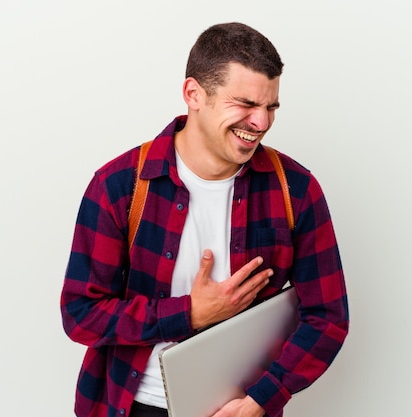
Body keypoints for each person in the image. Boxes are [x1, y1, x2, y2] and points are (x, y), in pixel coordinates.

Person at [61, 22, 349, 417]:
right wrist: (189, 313)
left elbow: (328, 317)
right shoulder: (120, 186)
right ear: (193, 94)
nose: (261, 123)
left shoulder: (295, 189)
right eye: (245, 104)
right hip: (134, 406)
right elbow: (81, 315)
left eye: (271, 107)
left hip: (243, 410)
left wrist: (264, 399)